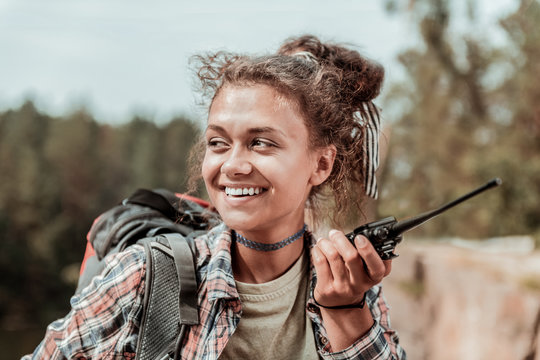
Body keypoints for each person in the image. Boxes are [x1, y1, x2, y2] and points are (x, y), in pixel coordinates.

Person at [23, 35, 406, 359]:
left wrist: (344, 312)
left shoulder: (354, 290)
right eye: (218, 143)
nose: (233, 165)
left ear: (321, 164)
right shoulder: (142, 277)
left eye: (261, 142)